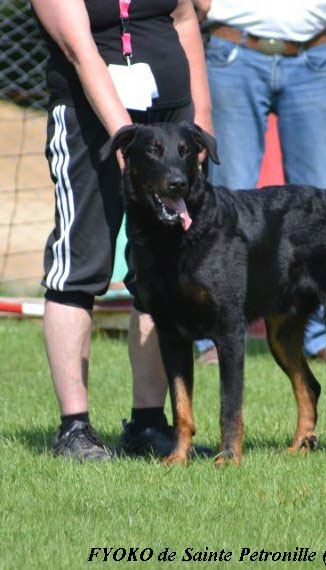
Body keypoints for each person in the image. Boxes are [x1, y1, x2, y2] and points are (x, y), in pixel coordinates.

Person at [31, 0, 212, 460]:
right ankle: (75, 429)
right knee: (81, 264)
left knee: (162, 273)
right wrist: (127, 140)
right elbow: (79, 49)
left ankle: (148, 425)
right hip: (90, 121)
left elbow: (186, 18)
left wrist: (201, 120)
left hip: (170, 119)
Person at [195, 0, 326, 365]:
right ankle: (216, 336)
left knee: (319, 211)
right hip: (233, 52)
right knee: (224, 211)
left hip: (315, 59)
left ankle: (319, 336)